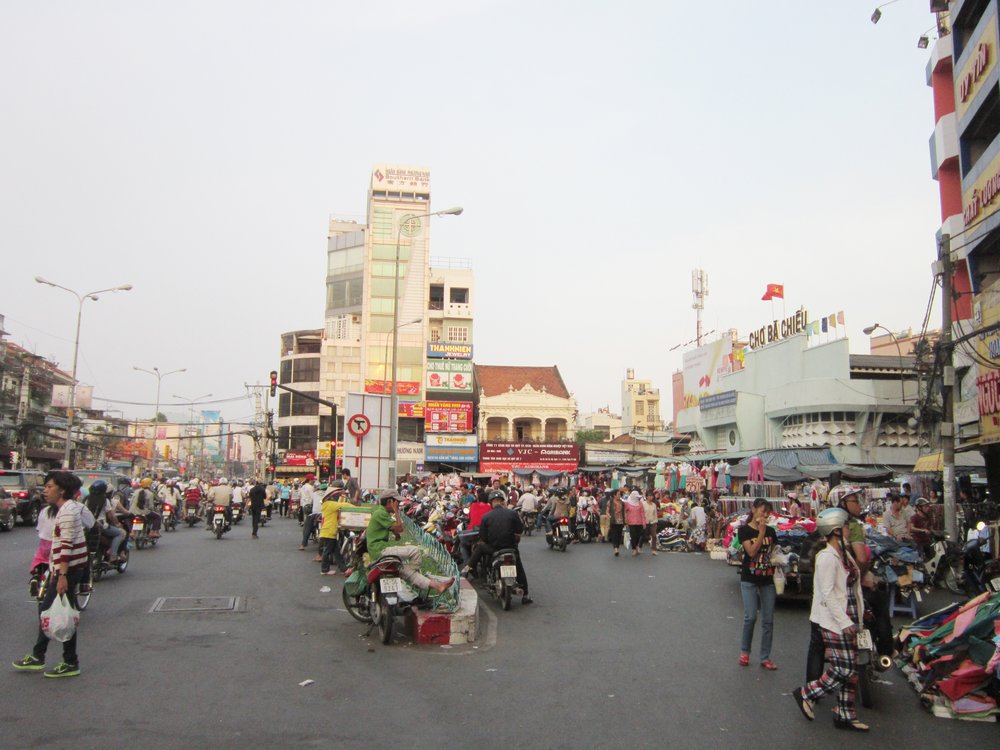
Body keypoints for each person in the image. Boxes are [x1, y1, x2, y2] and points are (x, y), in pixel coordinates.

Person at [794, 508, 868, 732]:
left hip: (849, 615)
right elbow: (827, 594)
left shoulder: (844, 554)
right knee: (844, 668)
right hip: (835, 619)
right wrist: (845, 622)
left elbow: (851, 586)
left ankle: (845, 713)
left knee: (851, 670)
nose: (848, 530)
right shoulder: (826, 557)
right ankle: (807, 694)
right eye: (845, 526)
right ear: (836, 530)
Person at [13, 470, 86, 678]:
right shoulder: (65, 509)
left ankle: (63, 660)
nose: (45, 491)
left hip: (68, 571)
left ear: (62, 490)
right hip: (67, 569)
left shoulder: (68, 511)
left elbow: (66, 545)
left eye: (49, 487)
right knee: (58, 612)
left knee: (53, 612)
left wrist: (61, 575)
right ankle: (51, 657)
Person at [365, 491, 453, 595]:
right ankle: (412, 575)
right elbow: (400, 528)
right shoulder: (380, 513)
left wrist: (395, 532)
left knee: (405, 570)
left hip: (379, 549)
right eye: (397, 503)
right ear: (390, 502)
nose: (398, 505)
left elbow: (394, 529)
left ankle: (437, 586)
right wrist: (396, 511)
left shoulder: (382, 513)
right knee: (415, 551)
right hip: (379, 550)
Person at [462, 491, 532, 604]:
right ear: (502, 502)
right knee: (519, 567)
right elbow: (519, 530)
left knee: (480, 547)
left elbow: (483, 537)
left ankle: (468, 568)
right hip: (510, 548)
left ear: (491, 503)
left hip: (494, 549)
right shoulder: (512, 513)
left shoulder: (486, 516)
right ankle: (526, 595)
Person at [737, 498, 777, 670]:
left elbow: (773, 552)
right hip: (749, 578)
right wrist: (761, 532)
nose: (765, 515)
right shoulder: (744, 530)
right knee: (751, 616)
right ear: (753, 510)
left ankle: (765, 657)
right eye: (762, 510)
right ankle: (745, 652)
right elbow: (752, 552)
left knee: (768, 620)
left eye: (767, 512)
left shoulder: (772, 531)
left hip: (767, 578)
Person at [318, 482, 357, 575]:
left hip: (328, 531)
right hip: (329, 531)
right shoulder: (329, 504)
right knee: (328, 551)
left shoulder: (327, 504)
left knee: (336, 552)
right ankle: (324, 570)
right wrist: (357, 508)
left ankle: (344, 569)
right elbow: (344, 505)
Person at [85, 480, 126, 564]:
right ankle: (113, 556)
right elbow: (111, 516)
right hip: (100, 526)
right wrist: (118, 524)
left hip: (86, 525)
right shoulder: (105, 500)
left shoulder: (86, 499)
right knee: (120, 533)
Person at [298, 474, 320, 550]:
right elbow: (313, 497)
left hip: (304, 506)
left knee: (306, 523)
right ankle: (304, 542)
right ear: (310, 480)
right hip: (310, 507)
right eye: (313, 480)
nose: (313, 481)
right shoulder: (310, 487)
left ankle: (305, 540)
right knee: (309, 524)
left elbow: (299, 495)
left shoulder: (303, 487)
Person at [624, 490, 645, 556]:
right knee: (633, 535)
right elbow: (625, 512)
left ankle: (636, 546)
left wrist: (644, 522)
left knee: (638, 535)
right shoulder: (627, 503)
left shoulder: (640, 504)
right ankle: (634, 549)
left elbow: (642, 513)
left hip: (639, 522)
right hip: (631, 522)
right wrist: (626, 520)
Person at [608, 489, 626, 557]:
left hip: (620, 521)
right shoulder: (610, 502)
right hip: (613, 520)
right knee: (614, 535)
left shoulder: (622, 502)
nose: (619, 495)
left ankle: (617, 547)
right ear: (614, 495)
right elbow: (607, 511)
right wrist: (609, 516)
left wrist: (625, 520)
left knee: (619, 535)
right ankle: (615, 549)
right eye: (618, 494)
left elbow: (624, 512)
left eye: (620, 494)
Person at [642, 490, 659, 555]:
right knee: (643, 536)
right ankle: (639, 547)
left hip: (653, 522)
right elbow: (641, 513)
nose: (650, 497)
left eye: (652, 496)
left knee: (654, 536)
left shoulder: (654, 504)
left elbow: (655, 514)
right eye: (649, 496)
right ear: (646, 497)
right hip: (645, 522)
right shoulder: (643, 504)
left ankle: (654, 550)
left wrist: (656, 522)